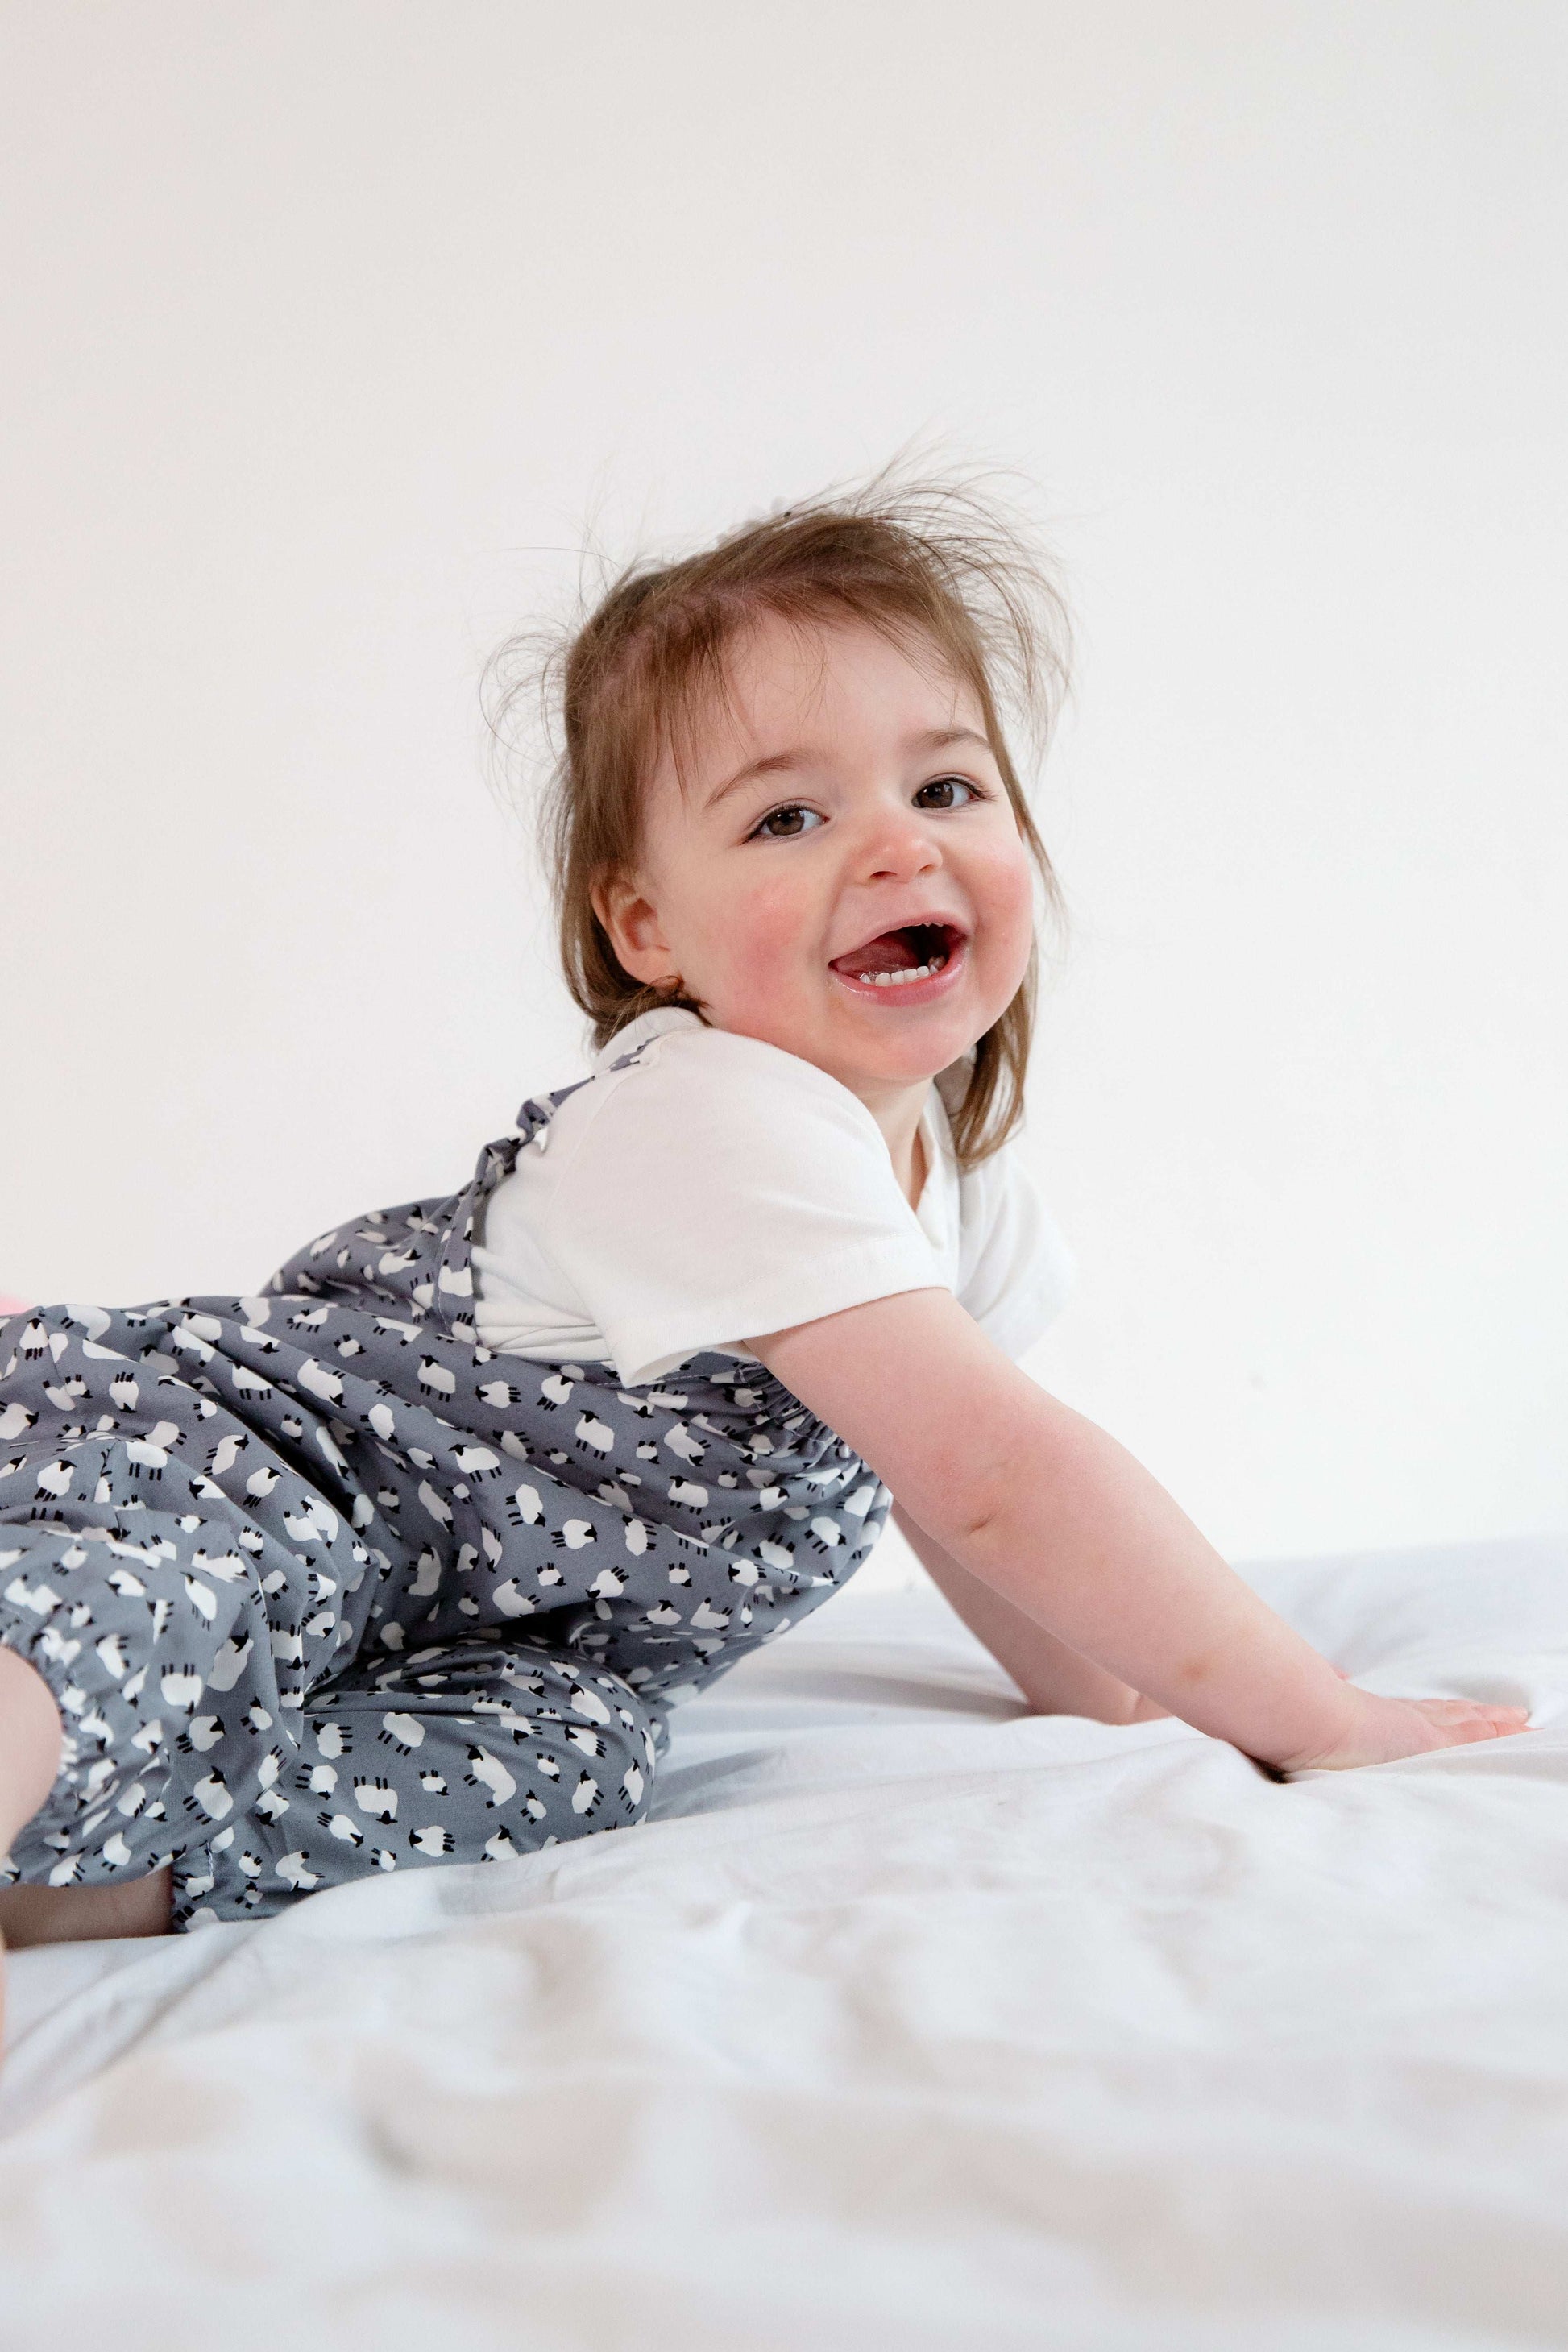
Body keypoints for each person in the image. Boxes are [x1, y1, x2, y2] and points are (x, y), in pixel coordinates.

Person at [0, 474, 1527, 2031]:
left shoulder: (959, 1204)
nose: (892, 849)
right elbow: (1006, 1477)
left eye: (944, 791)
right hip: (252, 1466)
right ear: (644, 927)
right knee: (143, 1615)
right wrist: (1314, 1715)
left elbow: (953, 1493)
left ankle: (79, 1889)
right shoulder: (717, 1118)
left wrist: (1125, 1694)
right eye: (789, 816)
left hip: (483, 1631)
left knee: (566, 1763)